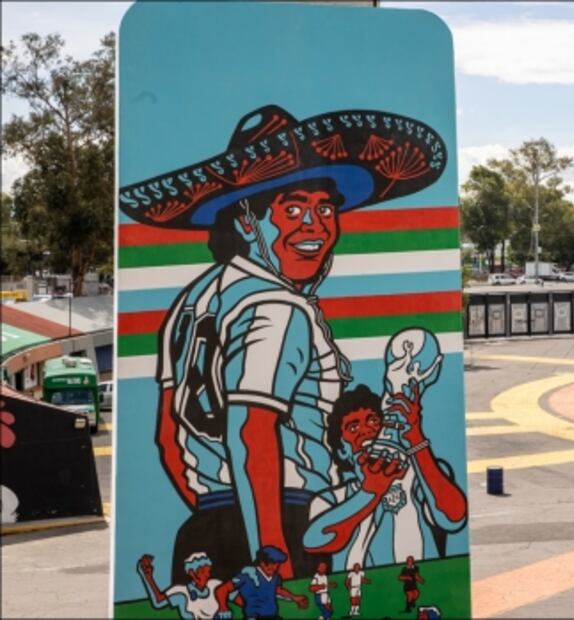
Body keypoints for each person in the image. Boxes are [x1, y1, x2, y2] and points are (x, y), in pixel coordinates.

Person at [117, 104, 446, 582]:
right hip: (281, 526)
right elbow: (252, 432)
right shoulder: (277, 306)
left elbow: (169, 438)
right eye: (291, 208)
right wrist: (272, 556)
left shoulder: (193, 301)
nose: (314, 225)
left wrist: (220, 515)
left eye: (324, 207)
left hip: (207, 529)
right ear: (247, 219)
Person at [302, 383, 466, 569]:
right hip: (361, 592)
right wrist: (371, 491)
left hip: (421, 589)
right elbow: (316, 542)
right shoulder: (331, 498)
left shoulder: (418, 477)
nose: (366, 431)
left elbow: (453, 518)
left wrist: (415, 439)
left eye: (373, 421)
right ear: (341, 451)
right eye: (353, 428)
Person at [215, 546, 308, 619]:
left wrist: (295, 598)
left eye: (277, 564)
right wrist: (223, 607)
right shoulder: (248, 576)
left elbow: (278, 590)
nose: (275, 568)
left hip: (272, 616)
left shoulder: (275, 577)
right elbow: (222, 589)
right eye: (272, 564)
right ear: (262, 563)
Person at [136, 552, 230, 620]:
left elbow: (235, 595)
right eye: (202, 572)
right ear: (191, 573)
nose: (207, 575)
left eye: (208, 571)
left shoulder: (214, 585)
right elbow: (158, 601)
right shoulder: (181, 591)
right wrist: (148, 577)